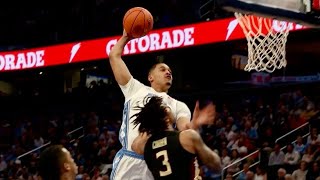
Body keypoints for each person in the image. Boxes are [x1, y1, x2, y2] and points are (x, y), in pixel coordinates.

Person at [108, 30, 215, 180]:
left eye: (170, 71)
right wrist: (126, 36)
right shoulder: (135, 89)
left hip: (158, 162)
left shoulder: (179, 105)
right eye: (163, 69)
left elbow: (184, 130)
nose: (168, 72)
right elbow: (114, 56)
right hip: (130, 159)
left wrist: (195, 123)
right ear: (150, 77)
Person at [131, 96, 222, 179]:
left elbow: (134, 146)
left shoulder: (145, 147)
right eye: (167, 108)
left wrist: (150, 124)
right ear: (166, 118)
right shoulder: (187, 137)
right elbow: (216, 166)